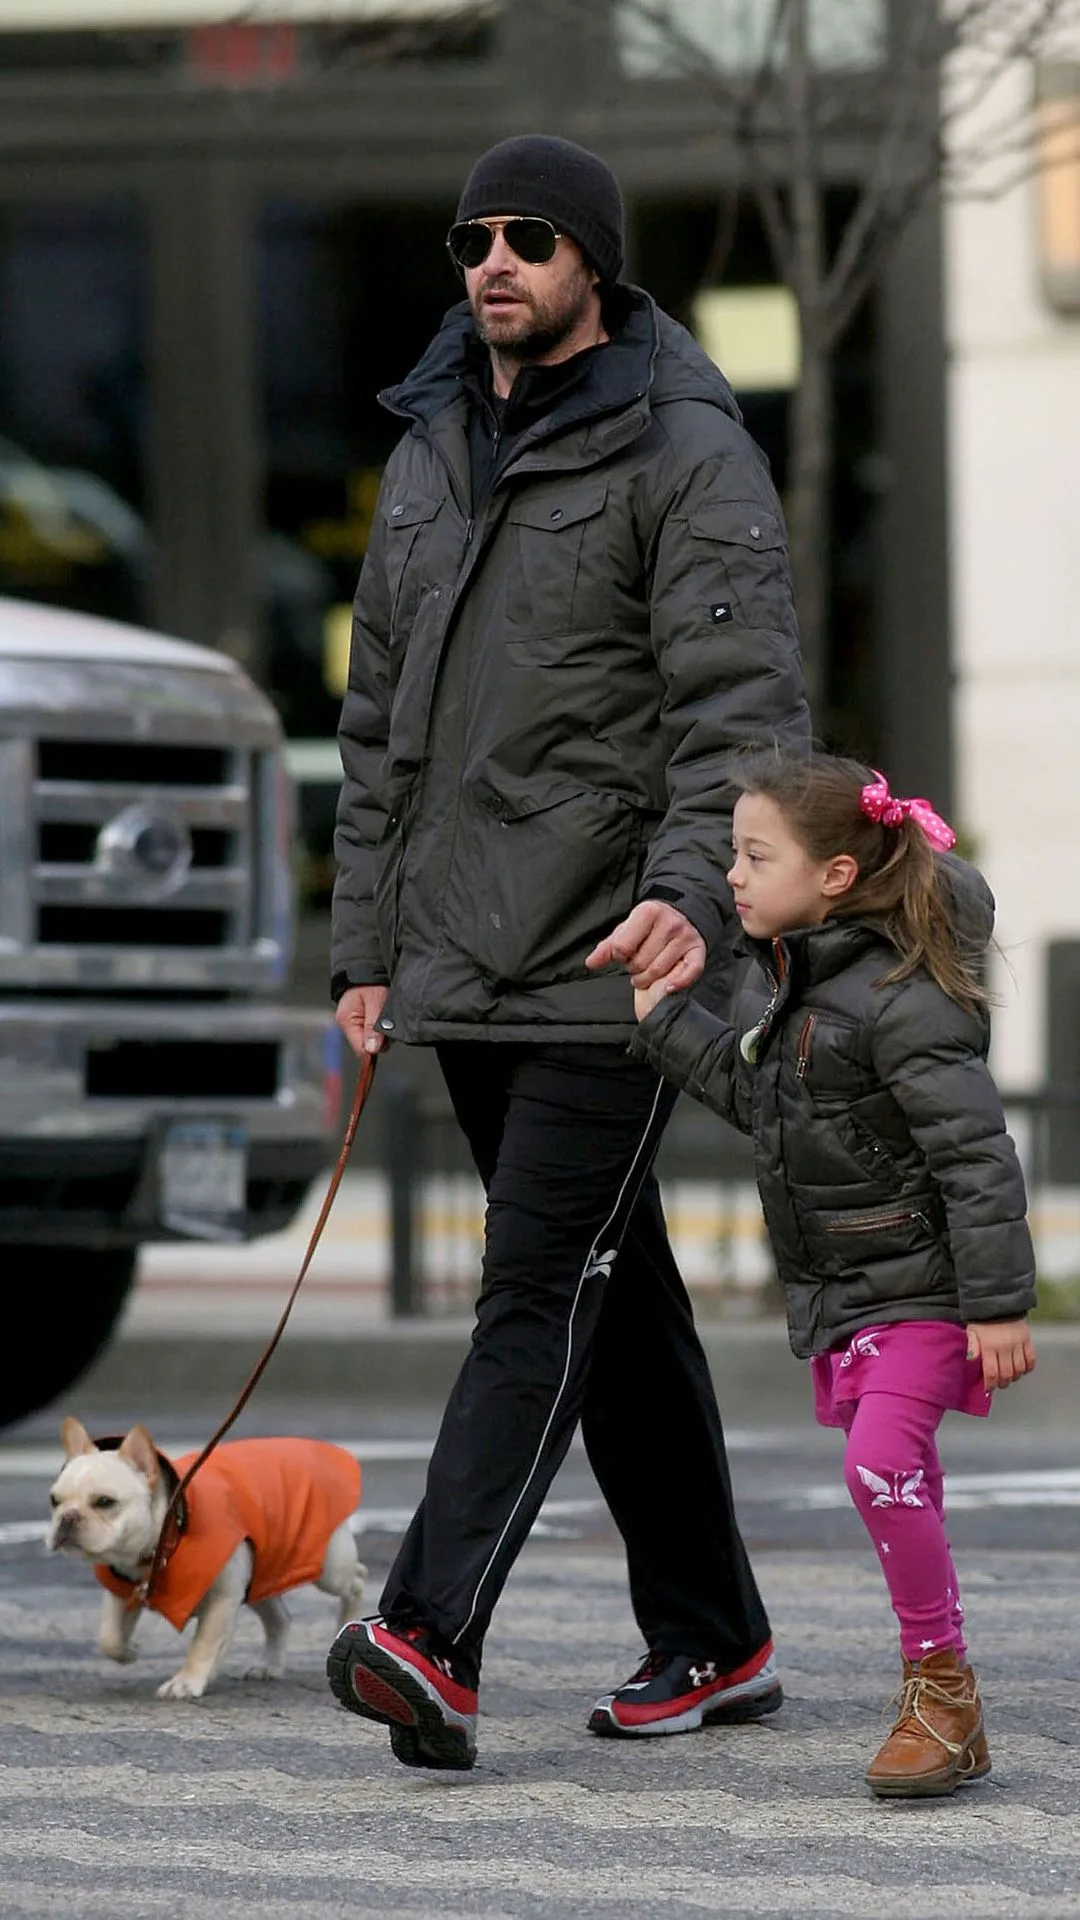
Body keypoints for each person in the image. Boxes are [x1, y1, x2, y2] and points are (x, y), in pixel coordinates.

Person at [326, 133, 811, 1771]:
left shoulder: (689, 450)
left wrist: (696, 892)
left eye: (529, 236)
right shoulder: (430, 445)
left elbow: (739, 721)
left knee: (536, 1284)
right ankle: (718, 1633)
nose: (493, 262)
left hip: (622, 955)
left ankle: (427, 1634)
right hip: (462, 951)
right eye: (472, 237)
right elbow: (380, 721)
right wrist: (365, 941)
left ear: (592, 257)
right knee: (622, 1297)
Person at [589, 748, 1036, 1798]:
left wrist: (1001, 1303)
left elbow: (978, 1156)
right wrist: (665, 1023)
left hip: (920, 1291)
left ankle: (942, 1689)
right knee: (895, 1476)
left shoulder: (902, 1000)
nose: (732, 876)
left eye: (754, 855)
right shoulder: (789, 982)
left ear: (835, 875)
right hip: (855, 1297)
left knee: (878, 1466)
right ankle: (945, 1698)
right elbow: (765, 1108)